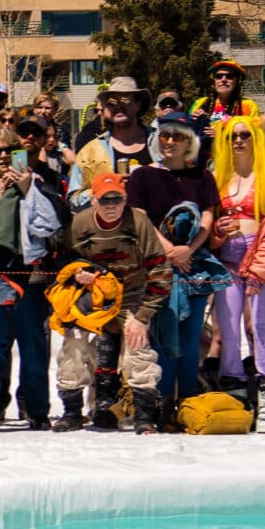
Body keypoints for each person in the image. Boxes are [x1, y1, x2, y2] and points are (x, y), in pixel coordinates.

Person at [48, 172, 171, 433]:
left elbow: (160, 271)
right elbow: (60, 261)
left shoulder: (138, 222)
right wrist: (78, 272)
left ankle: (144, 416)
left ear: (125, 199)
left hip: (132, 296)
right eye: (105, 200)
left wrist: (143, 316)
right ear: (93, 201)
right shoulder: (79, 225)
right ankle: (71, 412)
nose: (111, 205)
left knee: (138, 352)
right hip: (92, 297)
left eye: (117, 198)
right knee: (74, 346)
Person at [0, 126, 66, 430]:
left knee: (33, 346)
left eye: (8, 150)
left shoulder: (37, 181)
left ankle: (36, 409)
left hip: (30, 278)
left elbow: (51, 225)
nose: (1, 157)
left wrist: (27, 191)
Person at [126, 113, 223, 413]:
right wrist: (169, 249)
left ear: (190, 142)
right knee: (163, 332)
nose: (170, 141)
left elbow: (208, 216)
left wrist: (189, 250)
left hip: (195, 265)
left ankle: (189, 400)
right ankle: (164, 400)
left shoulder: (203, 176)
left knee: (192, 335)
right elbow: (139, 216)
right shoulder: (143, 175)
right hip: (157, 266)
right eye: (165, 135)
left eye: (178, 136)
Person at [209, 115, 265, 429]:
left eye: (245, 135)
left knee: (261, 328)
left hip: (260, 257)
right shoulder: (218, 175)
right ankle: (235, 398)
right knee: (228, 331)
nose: (239, 141)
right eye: (232, 136)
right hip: (227, 260)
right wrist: (218, 230)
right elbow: (210, 220)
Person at [72, 78, 154, 204]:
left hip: (153, 222)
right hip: (110, 222)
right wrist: (104, 189)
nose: (119, 106)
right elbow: (74, 199)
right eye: (112, 101)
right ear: (105, 109)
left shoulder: (161, 142)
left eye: (125, 100)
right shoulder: (90, 152)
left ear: (138, 104)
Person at [193, 60, 260, 123]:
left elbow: (256, 132)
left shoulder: (249, 106)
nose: (223, 80)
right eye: (219, 76)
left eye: (229, 76)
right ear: (214, 81)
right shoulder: (199, 103)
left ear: (237, 81)